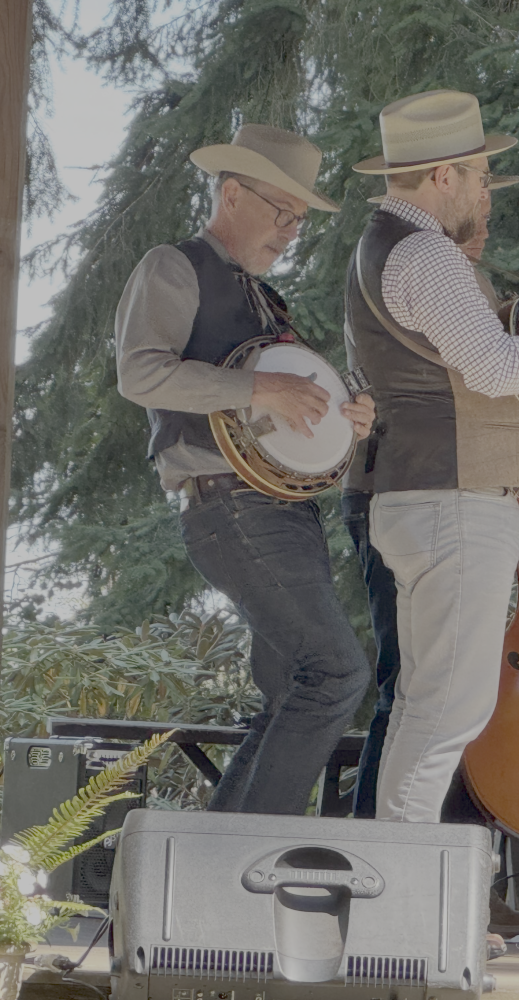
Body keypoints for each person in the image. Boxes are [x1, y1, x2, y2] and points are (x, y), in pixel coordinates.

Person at [346, 89, 519, 831]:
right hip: (455, 500)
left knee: (424, 707)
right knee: (450, 712)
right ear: (444, 177)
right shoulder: (427, 252)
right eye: (478, 177)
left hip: (424, 496)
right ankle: (400, 880)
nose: (485, 192)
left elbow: (472, 356)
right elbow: (496, 369)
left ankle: (395, 870)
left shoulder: (388, 246)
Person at [115, 124, 376, 814]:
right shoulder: (174, 266)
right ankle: (253, 856)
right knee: (336, 674)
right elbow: (140, 373)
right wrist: (259, 389)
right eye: (281, 211)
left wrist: (345, 417)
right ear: (231, 194)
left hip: (282, 512)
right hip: (230, 506)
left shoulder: (264, 297)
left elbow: (287, 404)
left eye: (300, 219)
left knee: (291, 690)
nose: (291, 231)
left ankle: (217, 862)